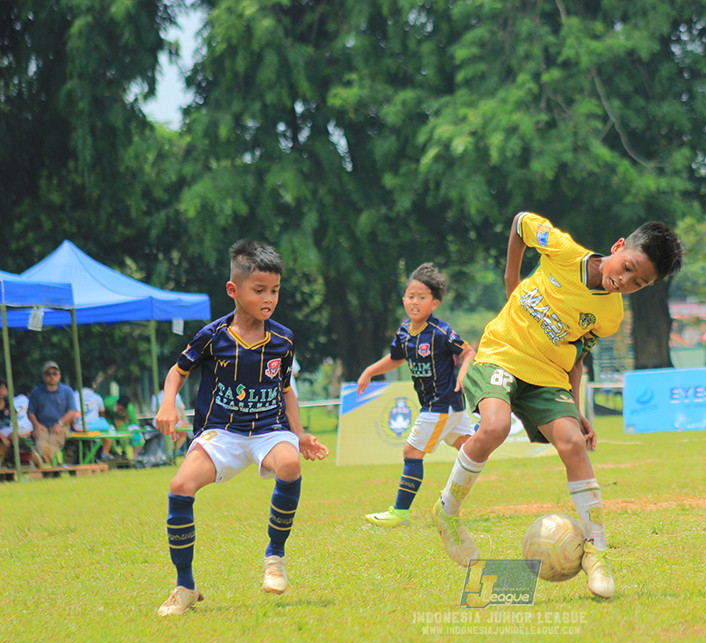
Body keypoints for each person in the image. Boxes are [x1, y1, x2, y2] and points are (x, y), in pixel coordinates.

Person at [429, 212, 683, 600]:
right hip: (501, 354)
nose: (626, 281)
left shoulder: (610, 316)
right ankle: (447, 512)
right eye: (628, 267)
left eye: (640, 282)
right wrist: (511, 281)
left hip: (547, 376)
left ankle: (596, 552)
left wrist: (577, 410)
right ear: (618, 247)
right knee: (494, 427)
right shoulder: (563, 251)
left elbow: (577, 358)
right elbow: (518, 223)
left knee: (573, 444)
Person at [154, 239, 329, 617]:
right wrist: (168, 403)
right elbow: (176, 372)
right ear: (234, 290)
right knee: (179, 487)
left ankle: (275, 557)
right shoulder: (212, 336)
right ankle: (185, 586)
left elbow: (286, 390)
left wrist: (299, 434)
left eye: (275, 291)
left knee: (290, 464)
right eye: (260, 290)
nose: (269, 298)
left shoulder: (283, 339)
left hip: (269, 429)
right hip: (223, 433)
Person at [358, 263, 477, 528]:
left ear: (433, 303)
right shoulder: (403, 332)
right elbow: (395, 359)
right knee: (471, 450)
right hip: (450, 408)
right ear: (404, 300)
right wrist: (369, 371)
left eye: (422, 297)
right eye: (411, 296)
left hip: (440, 405)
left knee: (412, 451)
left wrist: (463, 374)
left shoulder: (441, 331)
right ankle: (449, 502)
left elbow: (468, 352)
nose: (415, 302)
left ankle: (400, 513)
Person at [27, 361, 79, 465]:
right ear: (43, 376)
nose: (51, 376)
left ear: (59, 375)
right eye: (48, 374)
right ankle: (44, 459)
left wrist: (59, 423)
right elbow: (30, 412)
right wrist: (36, 425)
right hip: (42, 426)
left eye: (54, 374)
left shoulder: (67, 391)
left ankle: (41, 460)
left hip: (60, 426)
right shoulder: (36, 392)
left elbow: (72, 411)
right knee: (40, 440)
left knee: (54, 441)